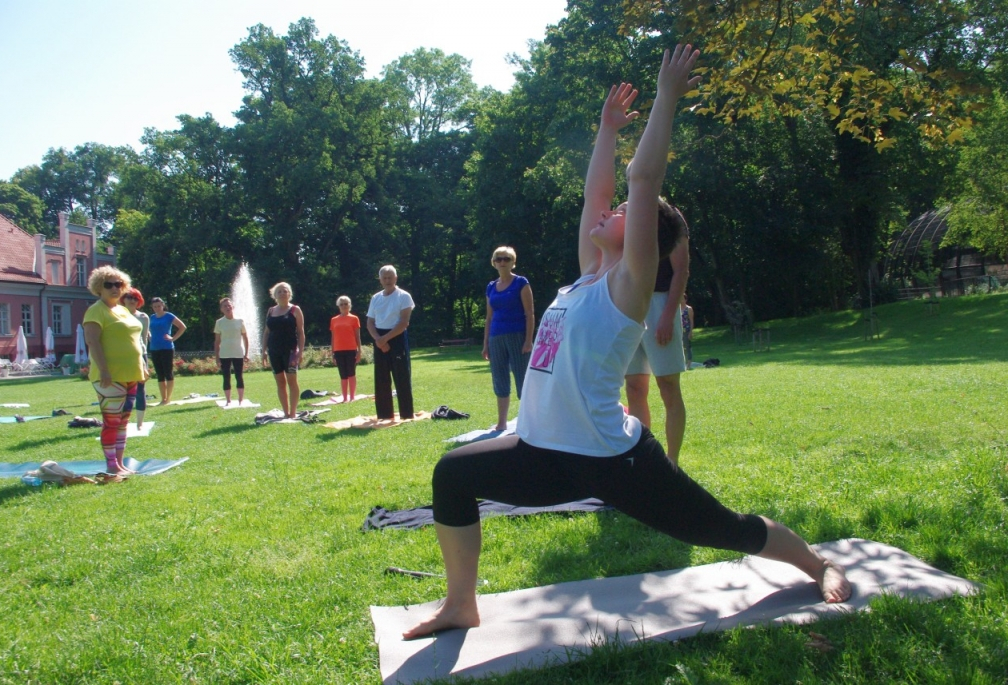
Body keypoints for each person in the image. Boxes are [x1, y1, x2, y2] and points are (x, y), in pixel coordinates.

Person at [402, 45, 850, 640]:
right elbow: (596, 196)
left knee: (724, 528)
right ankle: (462, 603)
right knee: (452, 475)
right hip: (541, 452)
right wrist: (606, 131)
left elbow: (643, 180)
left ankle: (818, 564)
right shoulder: (587, 275)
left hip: (614, 461)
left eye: (622, 214)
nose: (609, 210)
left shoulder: (628, 287)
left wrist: (666, 96)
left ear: (642, 234)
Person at [624, 167, 690, 465]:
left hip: (660, 304)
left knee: (667, 386)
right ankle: (645, 461)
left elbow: (681, 270)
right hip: (628, 306)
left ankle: (672, 463)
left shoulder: (670, 217)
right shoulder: (625, 214)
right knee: (635, 387)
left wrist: (667, 316)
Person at [82, 266, 147, 475]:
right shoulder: (96, 310)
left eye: (118, 284)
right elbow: (92, 341)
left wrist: (143, 366)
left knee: (123, 422)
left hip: (131, 374)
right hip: (110, 376)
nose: (114, 288)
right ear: (98, 287)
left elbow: (135, 340)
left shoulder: (122, 310)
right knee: (112, 421)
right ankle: (111, 464)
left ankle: (120, 463)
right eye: (108, 285)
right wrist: (104, 370)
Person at [481, 246, 535, 431]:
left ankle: (530, 420)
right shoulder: (490, 287)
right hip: (496, 337)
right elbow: (489, 317)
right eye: (499, 259)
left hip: (517, 336)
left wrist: (528, 340)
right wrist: (485, 343)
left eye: (506, 259)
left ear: (513, 262)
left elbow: (529, 313)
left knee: (522, 379)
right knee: (499, 378)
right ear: (494, 262)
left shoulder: (521, 283)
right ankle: (502, 422)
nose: (502, 262)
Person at [366, 265, 415, 420]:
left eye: (390, 277)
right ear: (380, 280)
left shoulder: (404, 296)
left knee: (402, 377)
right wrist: (378, 340)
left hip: (397, 336)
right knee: (381, 378)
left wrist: (385, 339)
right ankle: (384, 414)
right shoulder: (376, 298)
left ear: (396, 278)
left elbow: (404, 322)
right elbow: (370, 322)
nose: (387, 280)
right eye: (384, 278)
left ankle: (406, 414)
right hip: (379, 338)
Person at [261, 282, 305, 418]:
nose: (282, 293)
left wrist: (300, 352)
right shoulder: (271, 311)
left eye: (285, 290)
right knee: (280, 381)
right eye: (279, 291)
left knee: (292, 381)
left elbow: (301, 332)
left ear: (289, 293)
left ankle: (292, 413)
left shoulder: (295, 310)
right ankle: (285, 412)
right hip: (274, 351)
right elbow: (267, 332)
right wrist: (263, 350)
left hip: (291, 351)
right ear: (275, 295)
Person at [120, 287, 150, 428]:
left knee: (140, 388)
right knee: (122, 389)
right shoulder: (117, 315)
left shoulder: (143, 317)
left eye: (135, 298)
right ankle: (123, 422)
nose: (132, 300)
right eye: (129, 297)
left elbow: (144, 339)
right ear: (123, 299)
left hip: (140, 354)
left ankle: (140, 423)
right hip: (123, 355)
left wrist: (144, 357)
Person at [148, 297, 187, 405]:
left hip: (167, 348)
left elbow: (182, 327)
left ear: (163, 305)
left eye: (159, 306)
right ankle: (163, 398)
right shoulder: (152, 317)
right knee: (160, 374)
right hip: (154, 348)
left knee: (168, 372)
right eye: (155, 306)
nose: (157, 308)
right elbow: (147, 329)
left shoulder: (169, 316)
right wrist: (149, 337)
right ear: (152, 307)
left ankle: (168, 398)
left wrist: (173, 338)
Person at [214, 297, 249, 406]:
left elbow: (245, 338)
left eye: (229, 305)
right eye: (225, 306)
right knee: (226, 376)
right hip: (224, 354)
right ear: (221, 309)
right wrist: (217, 358)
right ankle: (228, 400)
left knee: (239, 376)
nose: (228, 307)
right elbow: (217, 342)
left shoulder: (240, 321)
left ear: (232, 307)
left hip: (238, 353)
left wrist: (246, 354)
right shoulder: (219, 322)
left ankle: (240, 399)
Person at [329, 296, 362, 402]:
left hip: (351, 349)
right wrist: (332, 352)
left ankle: (352, 397)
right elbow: (333, 337)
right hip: (338, 350)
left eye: (346, 303)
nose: (344, 306)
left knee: (351, 373)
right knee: (343, 374)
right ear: (338, 306)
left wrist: (359, 350)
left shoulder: (354, 318)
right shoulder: (334, 320)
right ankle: (344, 398)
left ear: (350, 305)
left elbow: (357, 336)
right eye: (341, 304)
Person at [681, 293, 694, 370]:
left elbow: (691, 321)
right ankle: (683, 362)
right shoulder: (677, 308)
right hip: (679, 330)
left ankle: (689, 364)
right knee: (681, 347)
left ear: (685, 299)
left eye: (682, 298)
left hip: (686, 330)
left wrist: (691, 332)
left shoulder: (688, 309)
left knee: (687, 347)